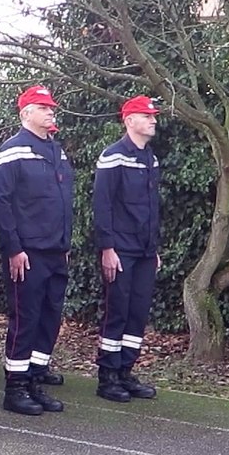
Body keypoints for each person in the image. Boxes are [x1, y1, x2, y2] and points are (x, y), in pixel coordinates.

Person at [0, 85, 74, 415]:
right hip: (28, 253)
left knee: (49, 319)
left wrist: (64, 243)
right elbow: (1, 202)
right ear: (26, 114)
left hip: (56, 251)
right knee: (25, 319)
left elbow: (63, 202)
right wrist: (14, 248)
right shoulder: (13, 151)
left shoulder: (57, 151)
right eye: (43, 107)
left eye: (51, 106)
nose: (51, 111)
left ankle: (36, 378)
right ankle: (16, 387)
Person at [93, 96, 163, 403]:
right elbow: (102, 204)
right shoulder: (113, 156)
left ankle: (126, 370)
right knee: (117, 311)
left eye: (154, 116)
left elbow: (152, 208)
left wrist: (154, 248)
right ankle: (107, 376)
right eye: (146, 116)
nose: (153, 120)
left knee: (137, 314)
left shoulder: (151, 158)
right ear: (129, 120)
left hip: (145, 250)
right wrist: (107, 248)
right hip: (121, 250)